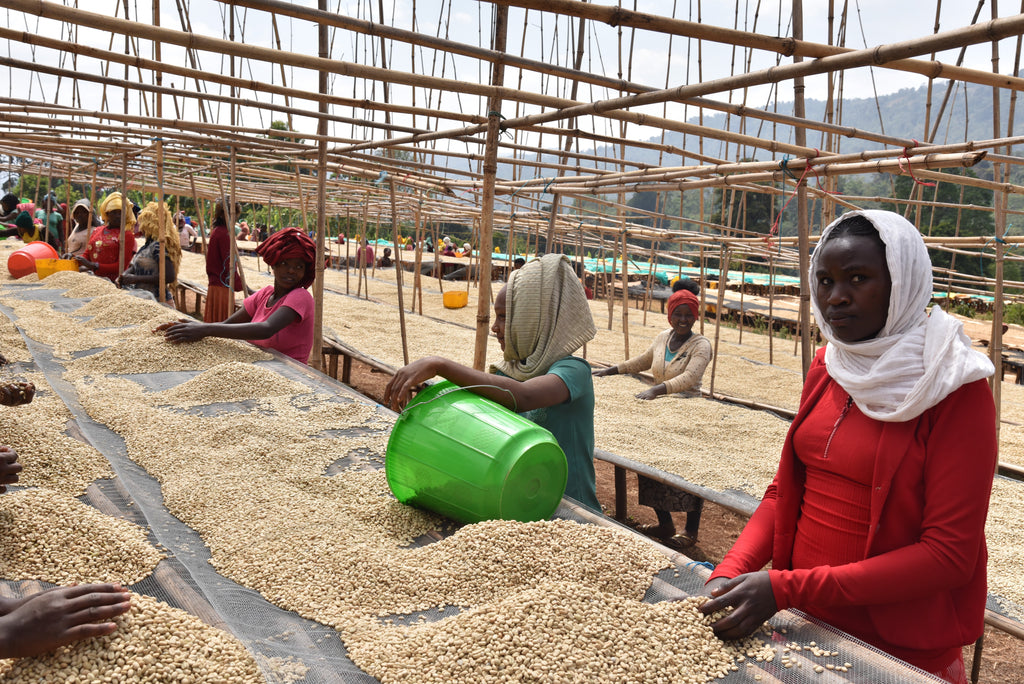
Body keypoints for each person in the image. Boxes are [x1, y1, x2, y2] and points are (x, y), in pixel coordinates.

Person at [700, 210, 996, 684]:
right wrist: (729, 572)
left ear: (901, 283)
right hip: (802, 625)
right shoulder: (830, 364)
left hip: (895, 650)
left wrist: (786, 587)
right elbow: (785, 493)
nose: (836, 297)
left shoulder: (955, 388)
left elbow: (948, 555)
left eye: (858, 278)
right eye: (824, 280)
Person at [385, 253, 601, 512]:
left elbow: (523, 398)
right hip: (519, 504)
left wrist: (439, 365)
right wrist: (436, 401)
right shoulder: (510, 372)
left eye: (503, 317)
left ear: (531, 319)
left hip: (571, 510)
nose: (495, 328)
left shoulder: (572, 370)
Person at [593, 280, 712, 549]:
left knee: (690, 469)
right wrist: (611, 370)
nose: (683, 320)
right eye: (678, 314)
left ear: (696, 316)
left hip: (690, 410)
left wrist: (657, 389)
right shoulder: (662, 338)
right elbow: (642, 361)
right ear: (670, 315)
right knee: (651, 465)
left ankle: (690, 529)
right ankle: (665, 522)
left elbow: (690, 377)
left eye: (688, 314)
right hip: (659, 410)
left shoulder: (701, 345)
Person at [158, 227, 317, 364]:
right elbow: (227, 325)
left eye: (299, 266)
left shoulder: (300, 296)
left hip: (292, 374)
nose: (291, 271)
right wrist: (192, 327)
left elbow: (266, 329)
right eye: (285, 264)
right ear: (273, 265)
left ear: (304, 271)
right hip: (260, 366)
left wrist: (204, 329)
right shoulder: (265, 294)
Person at [118, 202, 181, 305]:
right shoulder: (146, 246)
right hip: (144, 299)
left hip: (158, 300)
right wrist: (124, 276)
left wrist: (135, 279)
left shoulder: (158, 246)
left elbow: (169, 276)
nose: (140, 226)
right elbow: (135, 267)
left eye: (142, 223)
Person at [75, 193, 137, 282]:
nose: (118, 216)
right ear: (107, 214)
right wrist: (75, 258)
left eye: (120, 213)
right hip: (95, 280)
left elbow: (121, 266)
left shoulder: (126, 235)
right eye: (114, 212)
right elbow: (87, 255)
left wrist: (94, 266)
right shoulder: (97, 230)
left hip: (114, 282)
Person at [204, 198, 246, 323]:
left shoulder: (218, 232)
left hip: (217, 284)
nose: (235, 219)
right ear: (223, 214)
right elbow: (229, 265)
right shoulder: (224, 234)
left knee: (215, 320)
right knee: (221, 321)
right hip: (222, 286)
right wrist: (242, 286)